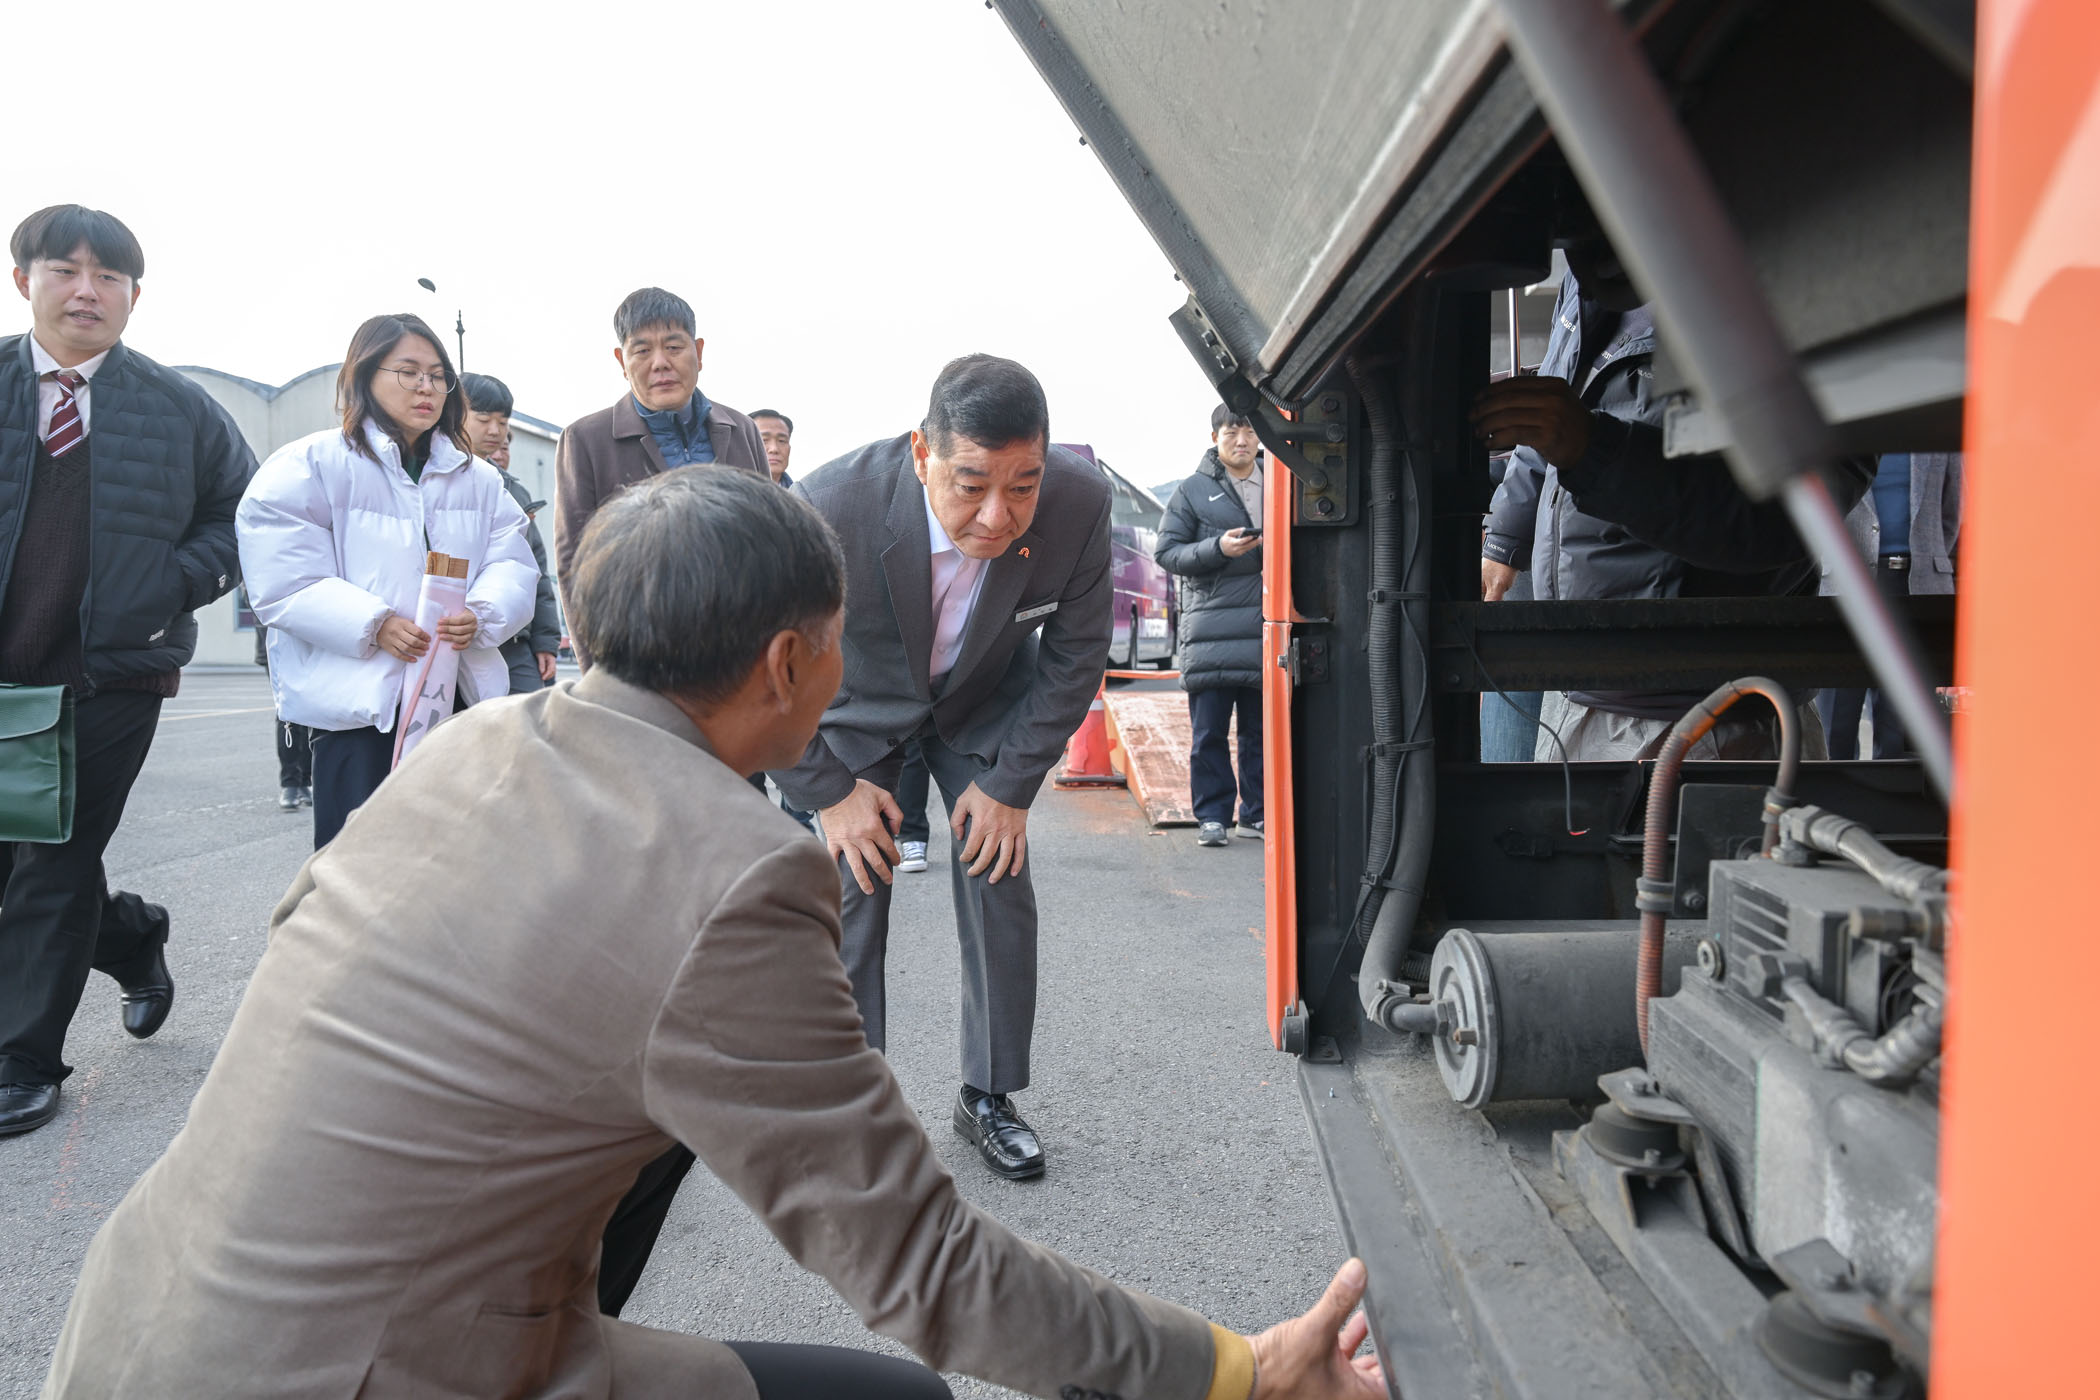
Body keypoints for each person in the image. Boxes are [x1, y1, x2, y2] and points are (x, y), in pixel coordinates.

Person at [41, 466, 1386, 1400]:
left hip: (141, 1320)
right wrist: (1237, 1368)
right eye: (841, 644)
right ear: (791, 665)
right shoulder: (734, 871)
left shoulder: (474, 742)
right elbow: (924, 1265)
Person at [775, 353, 1112, 1184]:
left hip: (982, 703)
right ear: (923, 452)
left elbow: (1076, 656)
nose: (998, 517)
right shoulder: (830, 505)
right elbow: (763, 668)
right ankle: (853, 1111)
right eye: (971, 485)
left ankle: (988, 1095)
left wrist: (1010, 787)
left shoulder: (1078, 502)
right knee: (853, 887)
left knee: (999, 869)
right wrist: (829, 794)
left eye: (1023, 485)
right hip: (860, 705)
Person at [0, 204, 255, 1138]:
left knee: (53, 859)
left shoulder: (177, 407)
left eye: (108, 277)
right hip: (4, 673)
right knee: (16, 857)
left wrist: (172, 585)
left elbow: (242, 513)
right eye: (65, 270)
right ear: (22, 279)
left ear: (133, 296)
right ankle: (133, 935)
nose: (87, 291)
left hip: (110, 675)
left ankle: (21, 1059)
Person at [1474, 238, 1867, 761]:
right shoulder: (1591, 274)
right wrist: (1505, 535)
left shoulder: (1787, 277)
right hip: (1581, 691)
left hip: (1709, 719)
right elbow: (1553, 408)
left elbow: (1782, 518)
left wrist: (1592, 449)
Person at [236, 315, 537, 849]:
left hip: (459, 699)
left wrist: (484, 614)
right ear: (365, 374)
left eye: (438, 375)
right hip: (360, 712)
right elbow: (283, 580)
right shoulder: (310, 465)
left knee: (458, 857)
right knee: (358, 861)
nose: (427, 387)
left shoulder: (480, 478)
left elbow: (513, 562)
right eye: (409, 372)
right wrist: (374, 624)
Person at [553, 286, 768, 660]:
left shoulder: (741, 429)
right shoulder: (586, 440)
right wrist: (597, 673)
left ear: (698, 352)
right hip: (641, 656)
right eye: (642, 350)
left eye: (673, 347)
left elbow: (772, 542)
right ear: (622, 361)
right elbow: (574, 566)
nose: (660, 363)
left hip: (742, 649)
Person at [1156, 405, 1266, 847]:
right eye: (1232, 432)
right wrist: (1217, 548)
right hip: (1211, 633)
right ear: (1215, 438)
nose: (1242, 440)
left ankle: (1256, 814)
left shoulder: (1280, 481)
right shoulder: (1193, 490)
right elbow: (1167, 553)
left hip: (1267, 628)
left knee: (1262, 734)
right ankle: (1213, 816)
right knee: (1208, 735)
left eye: (1250, 431)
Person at [1817, 452, 1961, 759]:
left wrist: (1923, 559)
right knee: (1835, 724)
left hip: (1915, 586)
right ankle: (1836, 790)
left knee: (1901, 727)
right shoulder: (1836, 434)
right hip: (1845, 589)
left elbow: (1950, 516)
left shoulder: (1934, 438)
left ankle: (1895, 789)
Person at [462, 372, 562, 693]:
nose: (495, 430)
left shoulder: (513, 491)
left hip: (514, 639)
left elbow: (535, 568)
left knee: (531, 715)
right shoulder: (430, 479)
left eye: (503, 422)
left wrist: (545, 640)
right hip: (456, 636)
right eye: (483, 419)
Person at [253, 621, 313, 809]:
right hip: (278, 645)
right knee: (287, 713)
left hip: (309, 646)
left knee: (311, 714)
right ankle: (290, 783)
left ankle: (305, 780)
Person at [752, 406, 794, 485]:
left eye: (781, 441)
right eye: (763, 440)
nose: (774, 449)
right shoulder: (728, 490)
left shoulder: (801, 491)